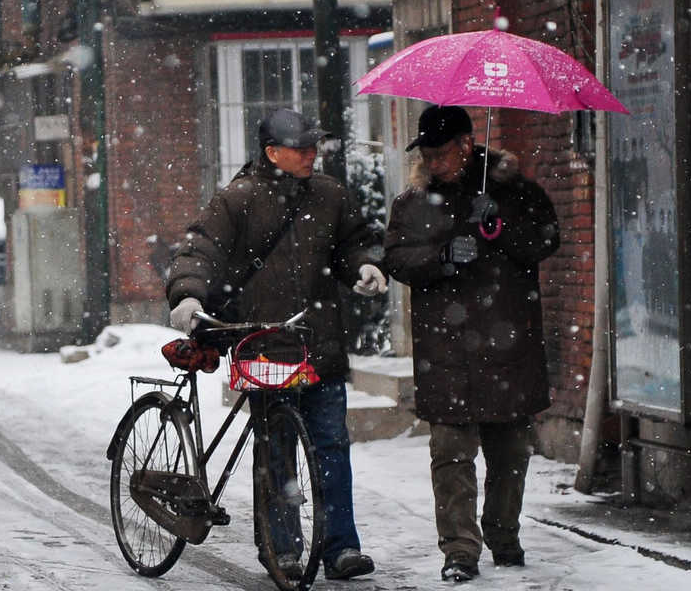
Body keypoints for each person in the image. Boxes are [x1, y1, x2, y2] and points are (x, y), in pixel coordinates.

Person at [166, 108, 385, 581]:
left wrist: (365, 265)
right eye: (301, 148)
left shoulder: (330, 196)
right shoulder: (238, 200)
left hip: (319, 341)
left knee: (331, 446)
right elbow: (199, 249)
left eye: (314, 146)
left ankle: (341, 548)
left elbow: (352, 244)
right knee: (278, 451)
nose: (312, 154)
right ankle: (281, 547)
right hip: (265, 344)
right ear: (272, 153)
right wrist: (187, 293)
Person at [383, 105, 560, 583]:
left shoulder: (512, 189)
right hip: (448, 349)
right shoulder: (414, 201)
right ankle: (460, 550)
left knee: (510, 453)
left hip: (507, 340)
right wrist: (441, 256)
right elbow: (396, 257)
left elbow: (546, 239)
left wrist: (499, 226)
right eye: (427, 154)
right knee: (450, 454)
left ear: (466, 146)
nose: (433, 162)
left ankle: (504, 535)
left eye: (441, 153)